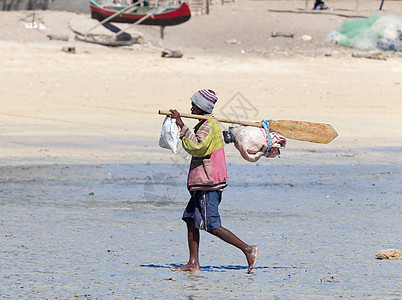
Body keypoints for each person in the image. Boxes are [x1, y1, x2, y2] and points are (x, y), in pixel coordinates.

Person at [169, 89, 258, 273]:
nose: (191, 107)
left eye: (194, 105)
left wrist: (181, 125)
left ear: (201, 107)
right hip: (203, 182)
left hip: (208, 183)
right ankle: (193, 264)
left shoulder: (208, 125)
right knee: (191, 219)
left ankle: (248, 249)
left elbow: (197, 146)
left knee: (211, 224)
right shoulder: (205, 124)